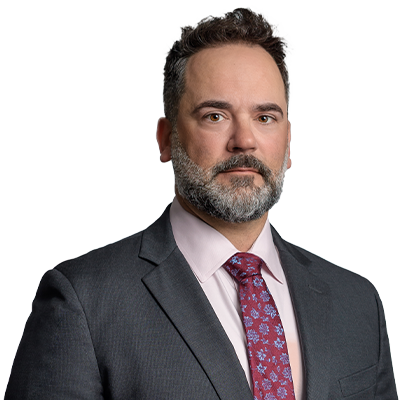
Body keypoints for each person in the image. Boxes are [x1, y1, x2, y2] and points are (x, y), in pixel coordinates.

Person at [5, 7, 397, 400]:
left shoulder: (357, 301)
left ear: (289, 142)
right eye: (215, 116)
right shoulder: (83, 301)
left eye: (265, 118)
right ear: (166, 139)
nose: (244, 141)